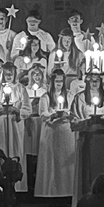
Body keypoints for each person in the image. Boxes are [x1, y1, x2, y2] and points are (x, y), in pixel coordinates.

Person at [70, 69, 104, 206]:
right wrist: (87, 122)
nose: (94, 82)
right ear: (87, 81)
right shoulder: (80, 98)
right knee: (87, 174)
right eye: (91, 80)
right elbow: (73, 121)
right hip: (87, 140)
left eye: (97, 80)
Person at [0, 62, 31, 193]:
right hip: (0, 125)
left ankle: (18, 188)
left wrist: (17, 111)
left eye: (11, 73)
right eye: (6, 74)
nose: (9, 76)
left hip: (15, 125)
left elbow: (27, 109)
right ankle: (1, 184)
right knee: (2, 152)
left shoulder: (21, 89)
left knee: (16, 152)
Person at [34, 69, 76, 197]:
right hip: (51, 133)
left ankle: (68, 191)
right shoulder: (45, 97)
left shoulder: (69, 95)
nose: (59, 84)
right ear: (52, 81)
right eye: (56, 81)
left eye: (61, 81)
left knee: (65, 163)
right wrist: (53, 115)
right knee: (52, 163)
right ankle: (50, 192)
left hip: (66, 133)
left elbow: (74, 111)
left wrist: (66, 114)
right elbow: (43, 114)